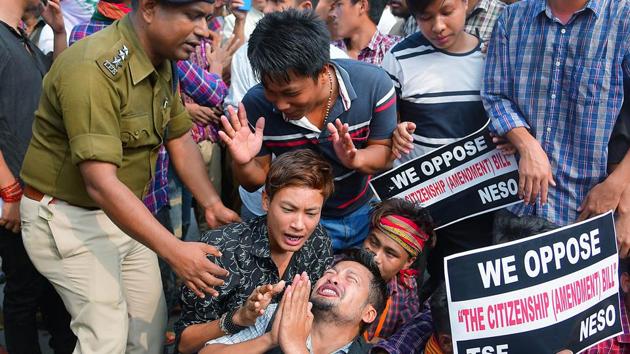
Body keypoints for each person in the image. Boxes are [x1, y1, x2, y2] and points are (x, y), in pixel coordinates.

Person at [18, 0, 241, 352]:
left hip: (122, 214)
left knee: (147, 334)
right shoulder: (93, 67)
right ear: (150, 9)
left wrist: (211, 203)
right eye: (193, 15)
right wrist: (175, 251)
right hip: (66, 217)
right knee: (105, 336)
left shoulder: (162, 59)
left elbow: (178, 134)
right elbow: (100, 182)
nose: (204, 30)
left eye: (207, 18)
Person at [221, 9, 398, 251]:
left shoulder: (374, 86)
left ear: (323, 72)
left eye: (291, 93)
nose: (280, 104)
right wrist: (242, 162)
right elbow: (255, 180)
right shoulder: (256, 104)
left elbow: (384, 152)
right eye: (270, 90)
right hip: (300, 225)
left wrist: (356, 158)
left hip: (362, 214)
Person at [481, 0, 630, 254]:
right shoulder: (512, 19)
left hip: (588, 212)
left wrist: (618, 186)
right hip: (518, 207)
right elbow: (496, 94)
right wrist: (527, 145)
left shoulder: (623, 18)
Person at [383, 0, 508, 285]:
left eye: (447, 12)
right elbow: (386, 126)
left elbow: (507, 115)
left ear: (466, 4)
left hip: (475, 205)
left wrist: (509, 135)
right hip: (416, 204)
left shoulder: (492, 56)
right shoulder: (399, 57)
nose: (438, 26)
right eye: (426, 18)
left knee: (462, 288)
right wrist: (396, 131)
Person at [176, 149, 335, 354]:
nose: (299, 224)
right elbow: (184, 344)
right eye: (288, 209)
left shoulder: (319, 243)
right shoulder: (220, 250)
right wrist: (238, 318)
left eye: (311, 213)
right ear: (266, 201)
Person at [224, 0, 349, 221]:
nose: (268, 10)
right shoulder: (246, 58)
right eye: (270, 91)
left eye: (279, 1)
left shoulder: (341, 65)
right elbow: (242, 125)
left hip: (340, 209)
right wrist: (245, 160)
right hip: (263, 207)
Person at [0, 0, 75, 353]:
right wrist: (9, 192)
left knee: (52, 290)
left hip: (39, 194)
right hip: (15, 196)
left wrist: (59, 32)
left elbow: (53, 84)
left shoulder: (22, 37)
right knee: (23, 294)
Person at [201, 249, 388, 354]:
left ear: (369, 313)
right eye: (330, 272)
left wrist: (295, 348)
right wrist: (270, 340)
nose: (333, 279)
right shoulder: (279, 315)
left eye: (351, 279)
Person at [361, 199, 434, 341]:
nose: (376, 257)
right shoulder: (335, 269)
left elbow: (404, 339)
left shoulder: (406, 291)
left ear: (408, 262)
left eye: (390, 253)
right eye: (373, 242)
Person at [329, 0, 400, 64]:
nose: (333, 14)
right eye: (333, 7)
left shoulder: (395, 50)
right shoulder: (329, 50)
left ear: (362, 6)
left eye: (339, 5)